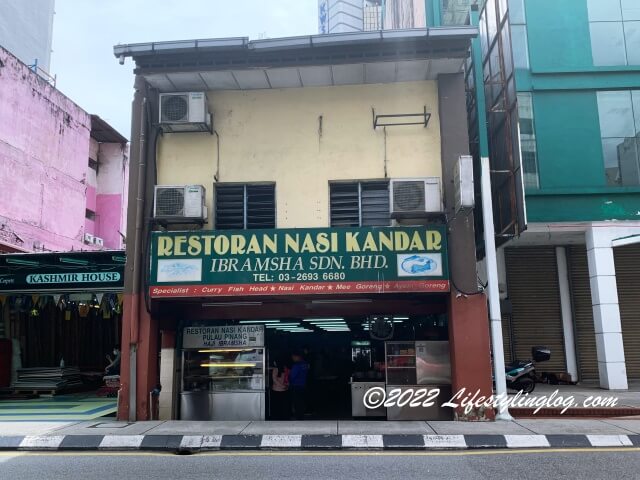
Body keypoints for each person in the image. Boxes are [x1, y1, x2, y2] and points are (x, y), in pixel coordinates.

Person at [289, 351, 310, 420]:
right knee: (301, 401)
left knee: (296, 402)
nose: (292, 359)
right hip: (303, 385)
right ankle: (301, 415)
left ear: (297, 356)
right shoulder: (305, 364)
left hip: (296, 386)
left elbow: (292, 376)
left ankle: (298, 417)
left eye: (293, 357)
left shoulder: (296, 365)